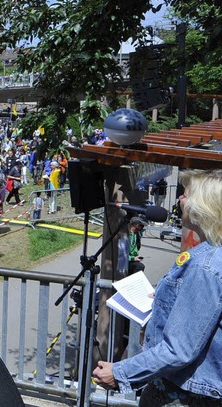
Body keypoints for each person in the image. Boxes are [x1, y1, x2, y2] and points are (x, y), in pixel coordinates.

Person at [93, 169, 222, 405]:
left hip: (183, 395)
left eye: (187, 194)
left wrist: (120, 373)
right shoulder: (211, 258)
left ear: (203, 205)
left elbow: (179, 349)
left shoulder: (206, 266)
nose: (180, 199)